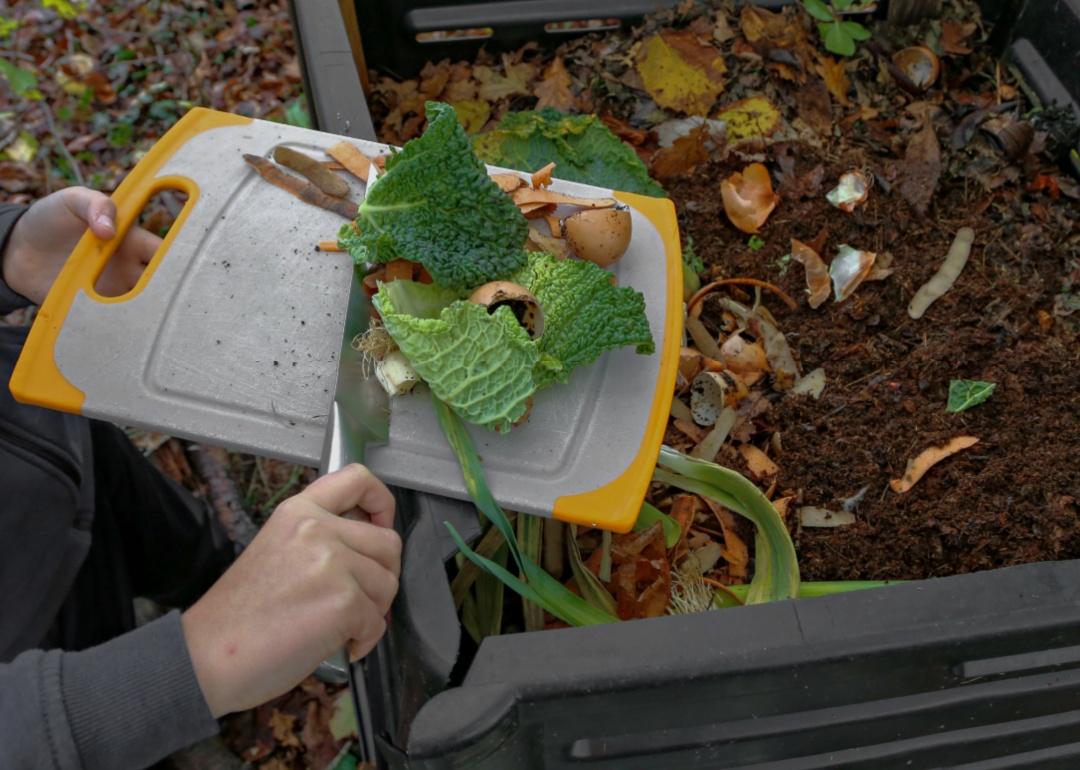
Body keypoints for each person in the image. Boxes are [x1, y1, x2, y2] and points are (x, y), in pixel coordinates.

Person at [0, 187, 402, 769]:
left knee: (186, 552)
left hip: (54, 445)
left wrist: (11, 251)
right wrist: (188, 668)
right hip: (36, 665)